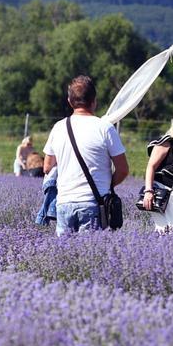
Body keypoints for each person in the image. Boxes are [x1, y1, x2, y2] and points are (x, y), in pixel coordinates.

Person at [42, 75, 129, 235]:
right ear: (94, 100)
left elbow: (47, 167)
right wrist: (106, 185)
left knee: (64, 251)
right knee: (91, 250)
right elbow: (123, 170)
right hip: (94, 203)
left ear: (70, 101)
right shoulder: (105, 128)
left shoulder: (59, 128)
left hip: (64, 203)